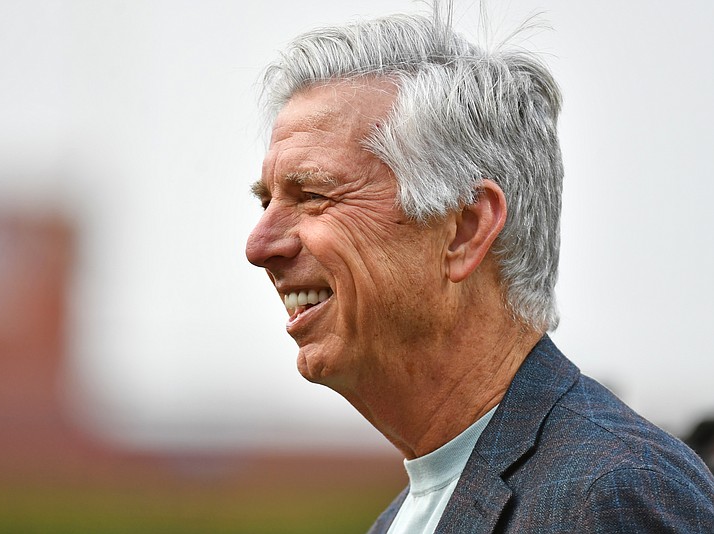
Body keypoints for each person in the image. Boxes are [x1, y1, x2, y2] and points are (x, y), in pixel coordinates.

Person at [245, 3, 714, 532]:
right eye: (266, 202)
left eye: (312, 195)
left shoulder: (612, 494)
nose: (259, 245)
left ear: (466, 229)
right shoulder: (401, 519)